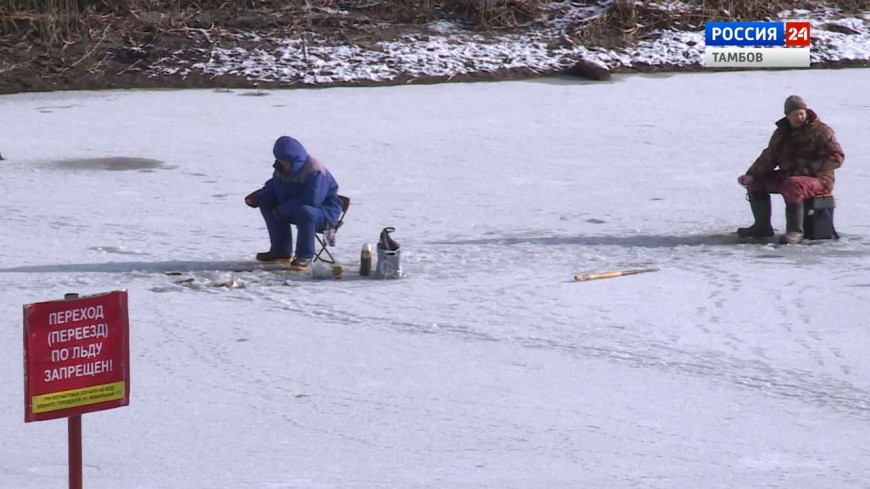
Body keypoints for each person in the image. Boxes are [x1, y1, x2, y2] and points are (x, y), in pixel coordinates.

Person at [737, 95, 845, 244]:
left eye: (802, 113)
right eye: (795, 114)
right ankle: (762, 227)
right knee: (756, 182)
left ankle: (795, 231)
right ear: (787, 116)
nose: (799, 117)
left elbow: (837, 156)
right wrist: (751, 175)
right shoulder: (781, 133)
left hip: (819, 180)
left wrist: (812, 170)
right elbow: (769, 156)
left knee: (793, 185)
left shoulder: (821, 131)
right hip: (789, 176)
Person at [245, 136, 343, 270]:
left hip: (324, 214)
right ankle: (281, 251)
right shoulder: (282, 169)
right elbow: (274, 186)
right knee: (267, 202)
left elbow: (312, 201)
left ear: (294, 160)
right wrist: (257, 197)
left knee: (305, 212)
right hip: (295, 209)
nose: (281, 164)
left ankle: (304, 256)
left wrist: (284, 209)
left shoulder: (315, 170)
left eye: (284, 161)